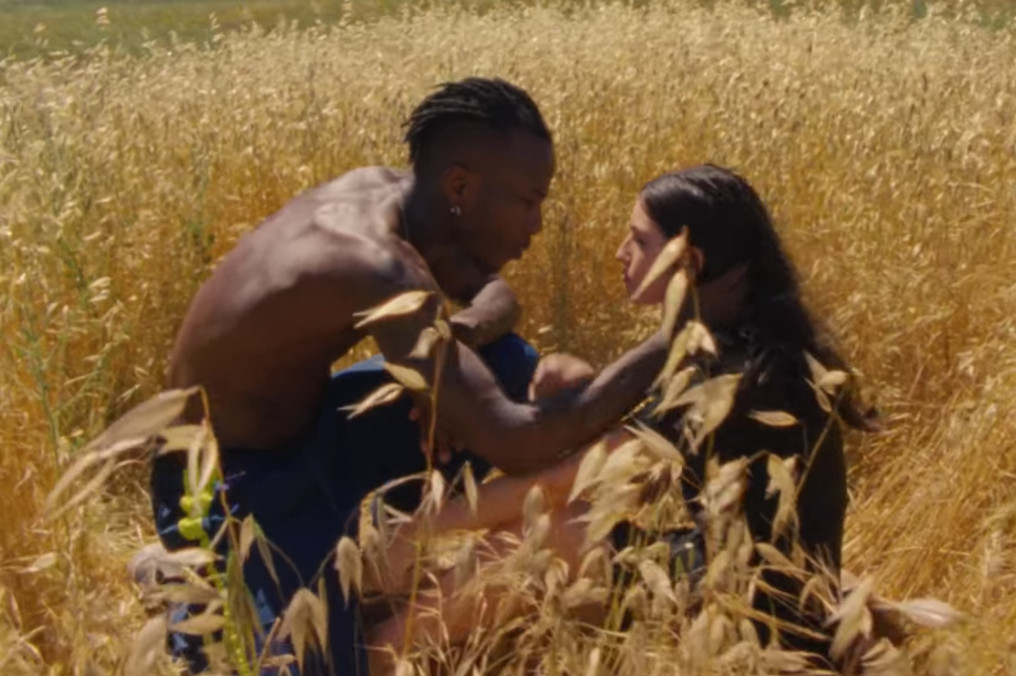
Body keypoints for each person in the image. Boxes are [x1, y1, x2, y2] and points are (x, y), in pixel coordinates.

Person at [148, 77, 671, 676]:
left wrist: (451, 354)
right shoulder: (373, 262)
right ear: (461, 186)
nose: (537, 223)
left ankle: (355, 564)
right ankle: (200, 576)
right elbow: (515, 438)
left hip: (314, 432)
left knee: (505, 367)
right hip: (226, 476)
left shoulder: (404, 200)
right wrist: (674, 336)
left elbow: (495, 294)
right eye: (528, 201)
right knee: (308, 668)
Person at [370, 164, 879, 665]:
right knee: (567, 519)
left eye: (638, 241)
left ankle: (380, 651)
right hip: (731, 571)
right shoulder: (742, 339)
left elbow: (565, 481)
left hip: (754, 616)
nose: (621, 253)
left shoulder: (735, 379)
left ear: (689, 263)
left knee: (552, 532)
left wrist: (416, 532)